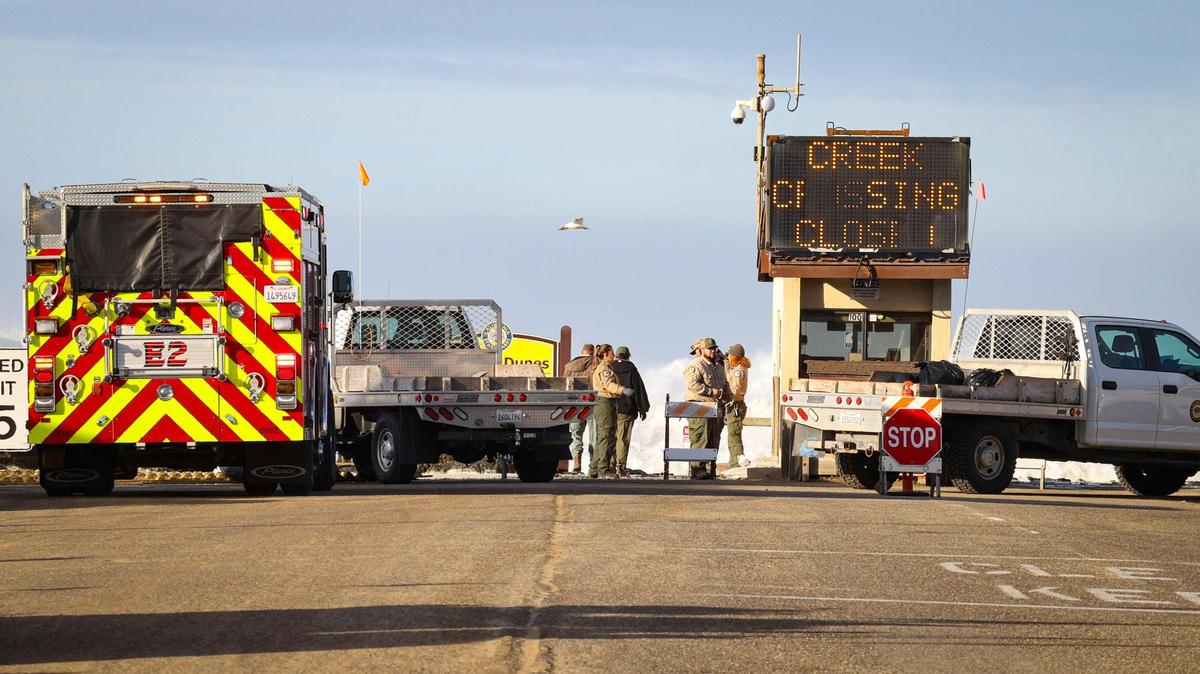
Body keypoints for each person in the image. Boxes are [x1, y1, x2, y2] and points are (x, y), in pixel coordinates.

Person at [683, 337, 731, 479]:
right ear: (702, 350)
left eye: (714, 348)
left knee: (713, 439)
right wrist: (711, 391)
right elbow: (692, 384)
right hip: (699, 406)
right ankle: (697, 469)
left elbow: (725, 383)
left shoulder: (717, 366)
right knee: (699, 438)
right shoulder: (696, 365)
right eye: (709, 349)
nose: (712, 351)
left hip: (714, 408)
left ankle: (710, 469)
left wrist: (729, 395)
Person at [590, 344, 633, 478]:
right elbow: (609, 385)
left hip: (606, 403)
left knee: (603, 436)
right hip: (605, 403)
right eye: (611, 353)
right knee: (606, 436)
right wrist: (623, 390)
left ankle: (595, 469)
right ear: (605, 355)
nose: (614, 355)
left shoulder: (606, 367)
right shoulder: (604, 369)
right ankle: (603, 469)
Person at [610, 345, 650, 477]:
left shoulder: (609, 367)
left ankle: (609, 465)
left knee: (611, 437)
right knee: (623, 438)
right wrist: (643, 408)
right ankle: (621, 465)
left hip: (609, 407)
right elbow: (639, 390)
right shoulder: (631, 369)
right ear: (628, 356)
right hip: (627, 409)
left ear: (616, 355)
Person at [563, 343, 597, 474]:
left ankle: (577, 462)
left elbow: (565, 386)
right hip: (593, 403)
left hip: (574, 404)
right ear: (592, 352)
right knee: (594, 435)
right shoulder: (596, 364)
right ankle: (593, 465)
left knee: (575, 434)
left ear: (582, 352)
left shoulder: (570, 366)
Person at [725, 343, 751, 469]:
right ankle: (734, 462)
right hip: (737, 404)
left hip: (735, 404)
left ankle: (737, 461)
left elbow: (734, 387)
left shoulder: (738, 371)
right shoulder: (740, 368)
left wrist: (728, 399)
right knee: (733, 434)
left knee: (734, 435)